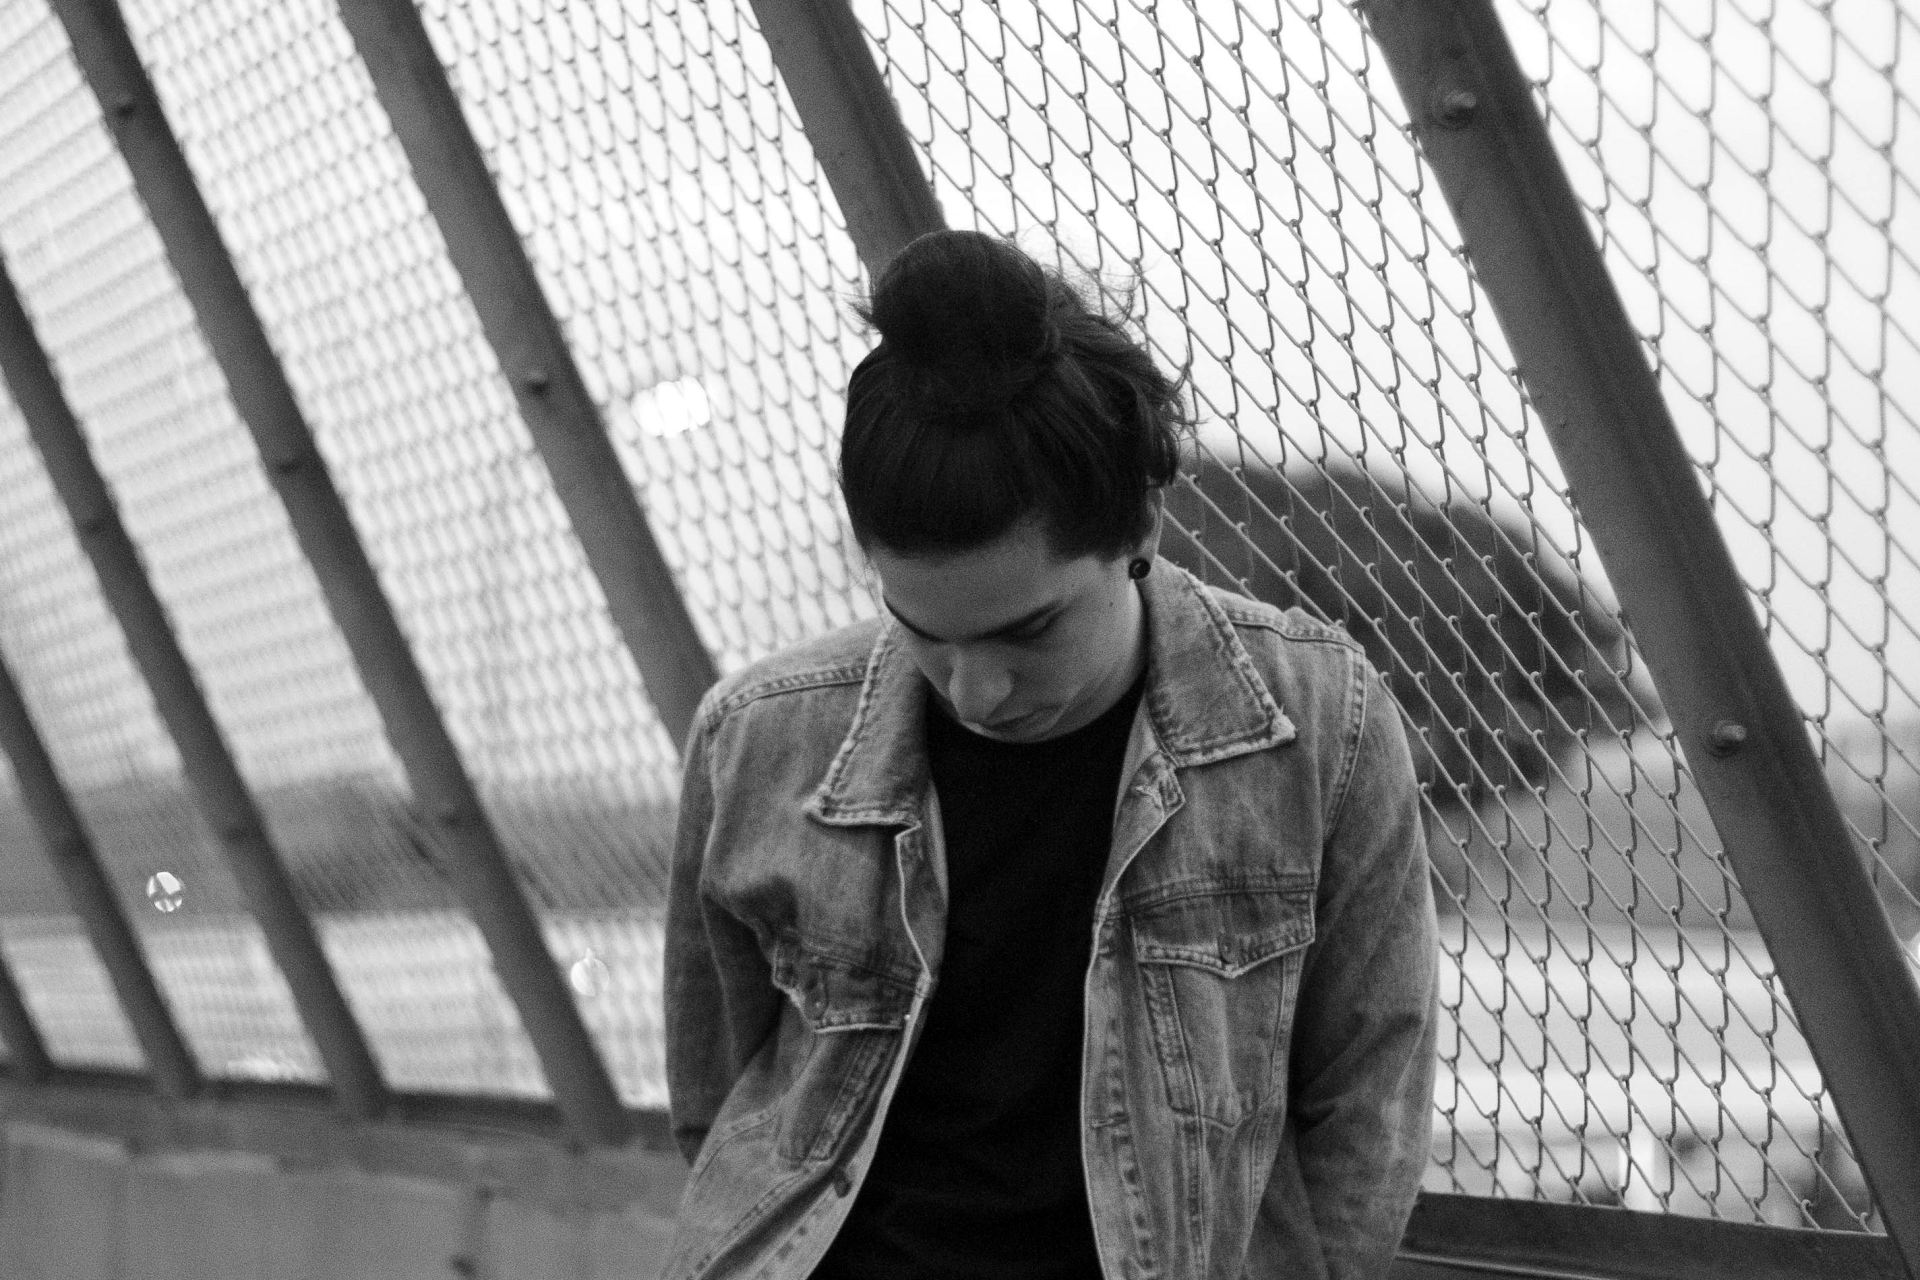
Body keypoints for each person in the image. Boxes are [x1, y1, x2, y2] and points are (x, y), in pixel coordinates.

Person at [663, 230, 1438, 1280]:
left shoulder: (1315, 719)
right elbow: (719, 1103)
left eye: (1028, 631)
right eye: (921, 627)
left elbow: (1367, 1105)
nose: (976, 688)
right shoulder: (758, 737)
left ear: (1141, 526)